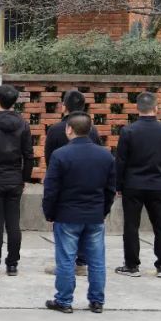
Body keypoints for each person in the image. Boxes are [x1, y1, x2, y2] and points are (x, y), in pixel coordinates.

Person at [43, 112, 116, 314]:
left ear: (69, 129)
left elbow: (51, 189)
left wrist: (49, 213)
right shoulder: (105, 155)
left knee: (66, 260)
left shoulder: (60, 155)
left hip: (67, 215)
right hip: (94, 215)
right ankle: (97, 301)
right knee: (97, 260)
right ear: (90, 130)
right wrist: (103, 211)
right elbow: (110, 189)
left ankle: (64, 301)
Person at [114, 91, 161, 279]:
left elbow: (121, 161)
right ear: (156, 108)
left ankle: (132, 266)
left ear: (137, 108)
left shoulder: (128, 131)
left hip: (133, 185)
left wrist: (118, 186)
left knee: (131, 226)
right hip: (158, 185)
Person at [43, 90, 101, 276]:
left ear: (64, 107)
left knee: (65, 228)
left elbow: (49, 160)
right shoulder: (92, 130)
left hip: (63, 186)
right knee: (85, 226)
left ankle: (65, 265)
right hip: (89, 185)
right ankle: (81, 263)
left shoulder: (55, 130)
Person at [0, 85, 33, 277]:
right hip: (15, 177)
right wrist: (24, 178)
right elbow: (28, 155)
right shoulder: (23, 124)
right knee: (13, 223)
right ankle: (12, 264)